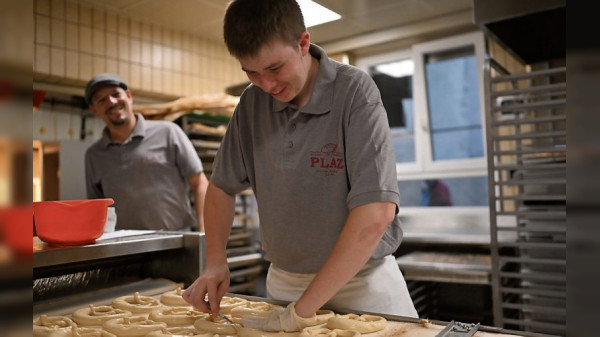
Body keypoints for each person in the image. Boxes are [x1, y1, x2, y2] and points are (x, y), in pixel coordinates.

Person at [183, 0, 417, 330]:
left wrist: (300, 313)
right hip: (285, 284)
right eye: (251, 72)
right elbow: (221, 186)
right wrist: (215, 261)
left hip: (362, 284)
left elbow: (376, 211)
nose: (266, 85)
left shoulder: (354, 91)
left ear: (303, 43)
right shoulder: (252, 103)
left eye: (276, 69)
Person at [84, 73, 209, 232]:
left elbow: (199, 183)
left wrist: (205, 233)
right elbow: (96, 209)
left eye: (116, 94)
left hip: (176, 245)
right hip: (124, 251)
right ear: (94, 110)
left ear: (129, 96)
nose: (112, 102)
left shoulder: (168, 133)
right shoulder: (94, 155)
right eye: (101, 100)